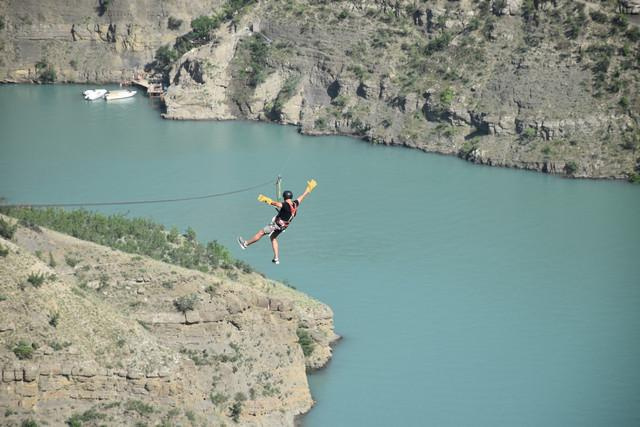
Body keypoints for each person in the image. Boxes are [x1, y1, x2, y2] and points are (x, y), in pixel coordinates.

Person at [238, 179, 317, 264]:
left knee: (261, 233)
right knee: (273, 238)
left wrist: (266, 200)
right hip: (283, 227)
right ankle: (276, 258)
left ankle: (245, 244)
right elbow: (303, 195)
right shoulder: (295, 204)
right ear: (291, 197)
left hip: (275, 225)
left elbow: (276, 204)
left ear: (284, 197)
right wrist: (309, 188)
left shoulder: (285, 205)